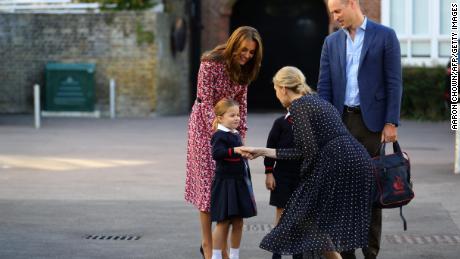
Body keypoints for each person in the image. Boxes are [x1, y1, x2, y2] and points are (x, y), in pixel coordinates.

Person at [241, 66, 374, 259]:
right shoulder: (318, 101)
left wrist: (305, 182)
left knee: (303, 216)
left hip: (338, 162)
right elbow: (304, 150)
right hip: (356, 158)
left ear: (283, 88)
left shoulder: (298, 106)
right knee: (315, 221)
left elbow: (306, 152)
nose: (277, 96)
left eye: (276, 91)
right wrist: (261, 151)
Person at [317, 1, 403, 258]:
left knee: (370, 190)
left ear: (352, 4)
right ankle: (346, 253)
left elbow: (394, 81)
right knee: (342, 191)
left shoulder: (385, 36)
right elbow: (324, 86)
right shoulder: (331, 42)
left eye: (337, 11)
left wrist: (391, 122)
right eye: (332, 13)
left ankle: (370, 253)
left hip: (372, 126)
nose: (334, 17)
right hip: (339, 123)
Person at [184, 26, 263, 259]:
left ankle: (223, 247)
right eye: (244, 50)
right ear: (234, 44)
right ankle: (207, 245)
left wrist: (242, 138)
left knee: (227, 187)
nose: (247, 55)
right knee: (209, 187)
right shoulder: (210, 63)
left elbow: (243, 106)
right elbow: (205, 100)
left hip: (229, 130)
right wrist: (223, 133)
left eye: (251, 52)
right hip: (203, 127)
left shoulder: (245, 69)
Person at [210, 98, 257, 259]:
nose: (237, 118)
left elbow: (236, 153)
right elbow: (217, 154)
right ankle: (216, 256)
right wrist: (235, 150)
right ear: (220, 117)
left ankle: (234, 255)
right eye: (232, 115)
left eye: (238, 115)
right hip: (225, 183)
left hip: (239, 182)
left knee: (238, 221)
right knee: (223, 222)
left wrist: (245, 154)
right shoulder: (219, 135)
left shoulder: (235, 134)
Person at [264, 110, 302, 259]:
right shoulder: (280, 123)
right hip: (282, 175)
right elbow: (270, 146)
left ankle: (298, 253)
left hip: (303, 175)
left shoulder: (310, 123)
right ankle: (277, 253)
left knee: (299, 215)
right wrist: (269, 172)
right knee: (281, 213)